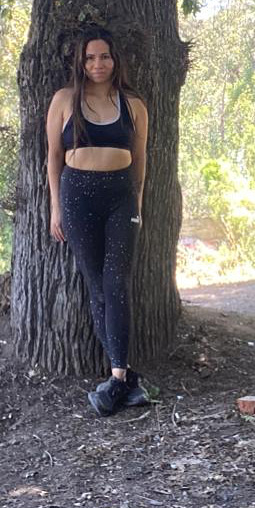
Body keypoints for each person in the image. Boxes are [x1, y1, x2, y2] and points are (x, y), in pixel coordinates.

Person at [46, 27, 149, 416]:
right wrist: (55, 208)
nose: (97, 64)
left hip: (121, 196)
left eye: (104, 56)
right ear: (81, 62)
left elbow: (141, 159)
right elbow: (53, 157)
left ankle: (118, 379)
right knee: (97, 285)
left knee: (117, 281)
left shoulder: (133, 105)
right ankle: (125, 380)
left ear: (115, 59)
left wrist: (138, 203)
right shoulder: (64, 100)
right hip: (77, 196)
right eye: (90, 58)